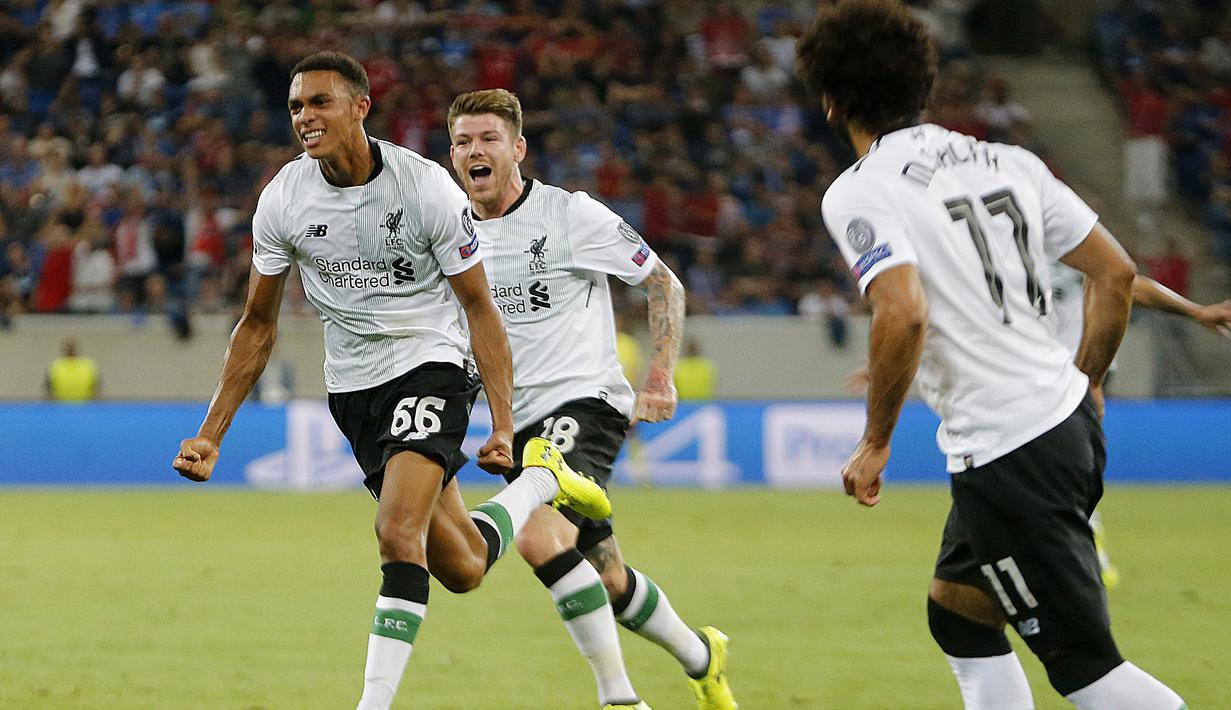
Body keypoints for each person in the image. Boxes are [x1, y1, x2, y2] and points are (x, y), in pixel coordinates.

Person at [171, 53, 611, 710]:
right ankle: (535, 488)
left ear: (359, 107)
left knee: (394, 530)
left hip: (429, 367)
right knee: (460, 567)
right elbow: (256, 324)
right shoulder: (285, 199)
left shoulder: (426, 188)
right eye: (296, 106)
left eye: (319, 102)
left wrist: (501, 424)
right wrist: (211, 434)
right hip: (354, 391)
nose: (305, 118)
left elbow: (479, 308)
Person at [799, 3, 1187, 709]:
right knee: (958, 616)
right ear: (923, 83)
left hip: (1008, 451)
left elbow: (903, 309)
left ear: (830, 100)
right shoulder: (1008, 161)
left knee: (1085, 670)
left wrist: (874, 441)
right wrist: (1086, 379)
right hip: (1060, 420)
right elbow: (1116, 275)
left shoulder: (860, 191)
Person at [447, 89, 737, 710]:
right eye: (464, 142)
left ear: (517, 149)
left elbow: (661, 281)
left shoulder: (571, 215)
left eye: (488, 139)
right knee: (604, 576)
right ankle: (701, 657)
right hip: (520, 426)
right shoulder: (450, 233)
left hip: (586, 403)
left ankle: (619, 699)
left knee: (535, 537)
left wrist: (660, 374)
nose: (475, 151)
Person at [1051, 259, 1231, 588]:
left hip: (1074, 374)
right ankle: (1083, 543)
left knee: (1056, 472)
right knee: (1059, 474)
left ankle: (1084, 548)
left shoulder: (1060, 237)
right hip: (1047, 378)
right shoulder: (1012, 243)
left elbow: (1122, 278)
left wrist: (1196, 312)